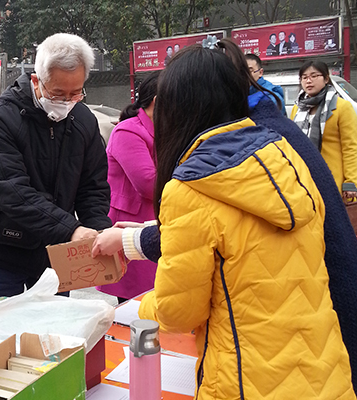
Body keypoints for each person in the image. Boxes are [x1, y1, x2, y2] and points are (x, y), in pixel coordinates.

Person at [95, 43, 356, 399]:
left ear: (177, 107)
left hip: (247, 379)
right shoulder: (284, 157)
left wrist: (140, 306)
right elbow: (239, 230)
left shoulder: (192, 185)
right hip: (323, 371)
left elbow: (177, 312)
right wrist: (147, 235)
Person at [0, 33, 111, 308]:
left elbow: (93, 186)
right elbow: (13, 193)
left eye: (76, 93)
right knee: (1, 330)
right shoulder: (0, 119)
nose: (67, 101)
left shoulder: (83, 119)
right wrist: (71, 229)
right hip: (2, 250)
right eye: (58, 93)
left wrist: (97, 232)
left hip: (55, 253)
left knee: (53, 329)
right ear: (36, 80)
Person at [96, 73, 159, 303]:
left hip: (153, 222)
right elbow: (148, 184)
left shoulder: (165, 129)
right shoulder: (128, 131)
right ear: (156, 101)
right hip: (132, 224)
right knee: (135, 308)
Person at [291, 61, 357, 197]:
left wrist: (351, 181)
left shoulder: (342, 107)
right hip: (304, 178)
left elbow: (350, 147)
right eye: (304, 77)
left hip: (332, 178)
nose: (308, 81)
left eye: (314, 76)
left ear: (326, 79)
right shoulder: (297, 109)